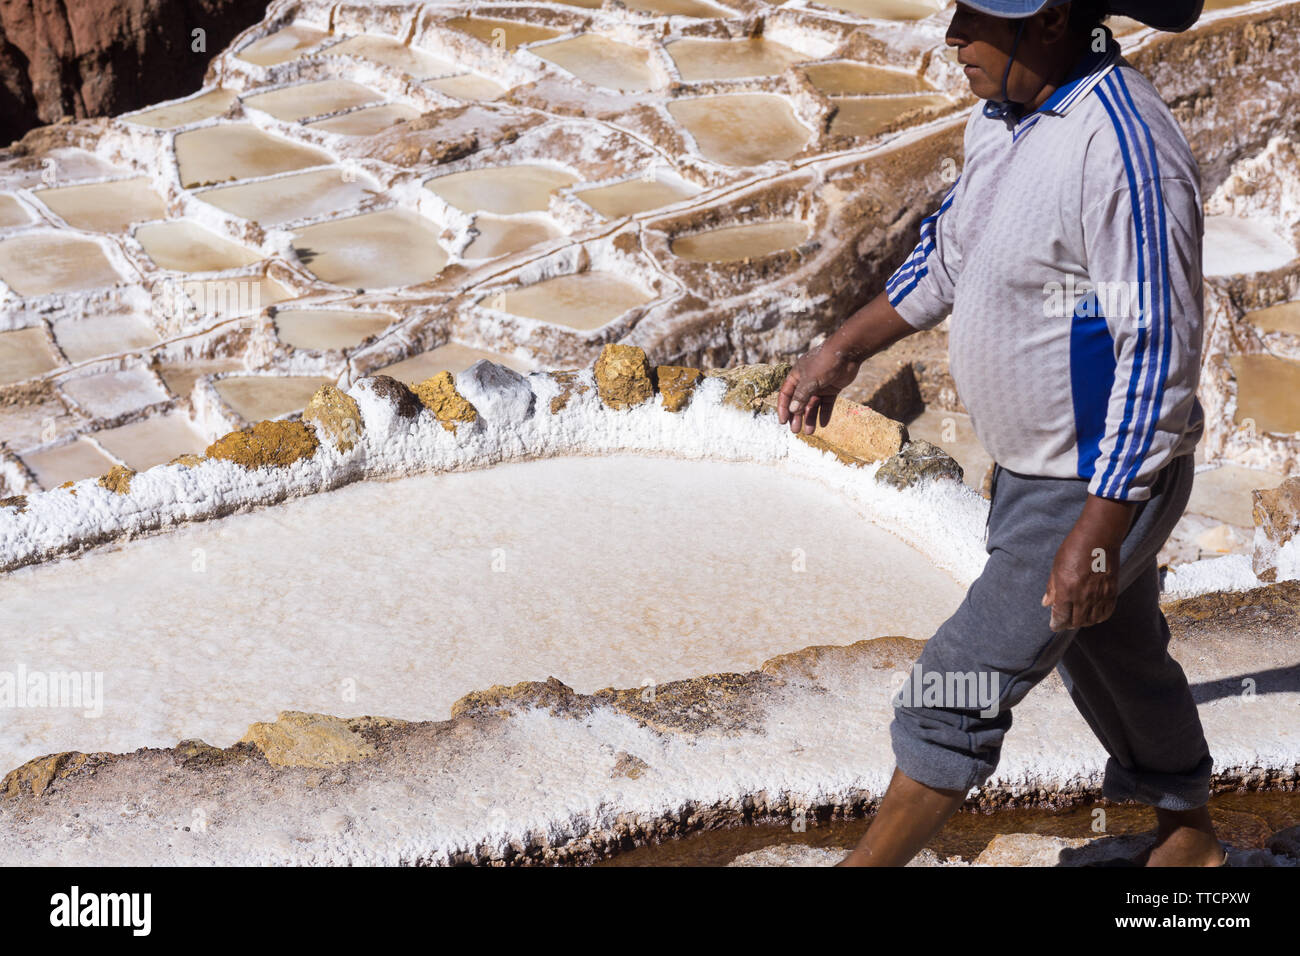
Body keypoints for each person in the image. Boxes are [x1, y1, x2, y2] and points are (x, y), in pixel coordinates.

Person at [776, 0, 1226, 867]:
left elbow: (1159, 342)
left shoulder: (1124, 149)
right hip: (1040, 474)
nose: (951, 37)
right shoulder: (1007, 119)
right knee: (1115, 657)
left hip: (1094, 480)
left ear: (1051, 21)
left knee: (952, 689)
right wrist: (842, 350)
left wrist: (1099, 523)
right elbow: (948, 255)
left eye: (977, 19)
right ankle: (1191, 842)